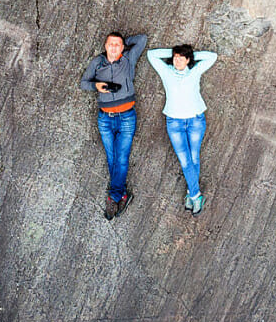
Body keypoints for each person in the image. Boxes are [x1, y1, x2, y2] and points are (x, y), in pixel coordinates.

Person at [80, 31, 148, 220]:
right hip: (105, 118)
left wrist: (124, 42)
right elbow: (83, 83)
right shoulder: (97, 62)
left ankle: (115, 196)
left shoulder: (128, 59)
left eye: (118, 44)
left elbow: (142, 39)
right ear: (105, 45)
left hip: (127, 117)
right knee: (112, 158)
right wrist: (97, 86)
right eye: (111, 44)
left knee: (122, 158)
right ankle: (122, 194)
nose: (114, 47)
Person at [146, 44, 218, 214]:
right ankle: (195, 195)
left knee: (194, 157)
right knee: (185, 160)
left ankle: (190, 193)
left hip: (195, 120)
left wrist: (190, 54)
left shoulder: (194, 71)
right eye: (175, 57)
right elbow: (151, 54)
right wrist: (173, 53)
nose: (177, 60)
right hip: (174, 122)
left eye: (181, 57)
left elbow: (212, 57)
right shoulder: (166, 71)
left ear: (188, 60)